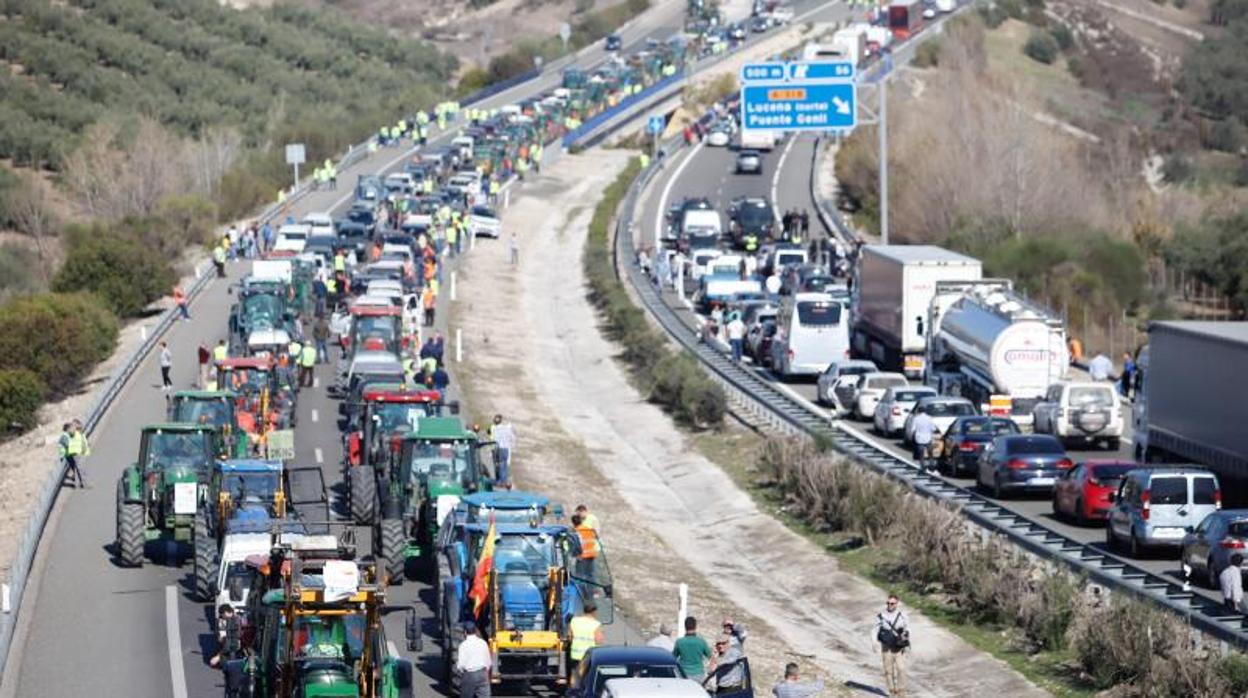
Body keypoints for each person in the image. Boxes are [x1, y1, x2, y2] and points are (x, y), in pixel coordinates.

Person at [874, 594, 909, 697]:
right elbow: (875, 629)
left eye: (892, 603)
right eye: (888, 603)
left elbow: (907, 627)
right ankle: (892, 691)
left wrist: (906, 635)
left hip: (898, 647)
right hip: (886, 647)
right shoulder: (881, 616)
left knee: (901, 669)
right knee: (888, 671)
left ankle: (901, 692)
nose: (889, 605)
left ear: (897, 604)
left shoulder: (902, 615)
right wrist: (874, 643)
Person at [673, 616, 713, 685]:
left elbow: (673, 657)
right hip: (698, 674)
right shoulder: (701, 642)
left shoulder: (679, 642)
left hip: (683, 674)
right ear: (695, 626)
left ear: (685, 627)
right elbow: (710, 656)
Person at [456, 622, 492, 698]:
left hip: (470, 675)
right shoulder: (483, 643)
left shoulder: (463, 645)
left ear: (465, 632)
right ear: (475, 631)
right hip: (482, 673)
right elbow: (488, 661)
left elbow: (460, 665)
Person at [60, 419, 89, 488]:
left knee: (75, 468)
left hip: (70, 454)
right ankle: (82, 483)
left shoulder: (67, 434)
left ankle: (78, 483)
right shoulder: (68, 435)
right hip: (73, 453)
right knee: (79, 467)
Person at [490, 414, 516, 484]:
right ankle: (505, 480)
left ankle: (501, 481)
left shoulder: (495, 429)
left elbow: (494, 440)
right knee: (505, 464)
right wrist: (511, 446)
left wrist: (494, 450)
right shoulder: (506, 428)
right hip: (506, 449)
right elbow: (512, 437)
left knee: (500, 464)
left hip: (500, 448)